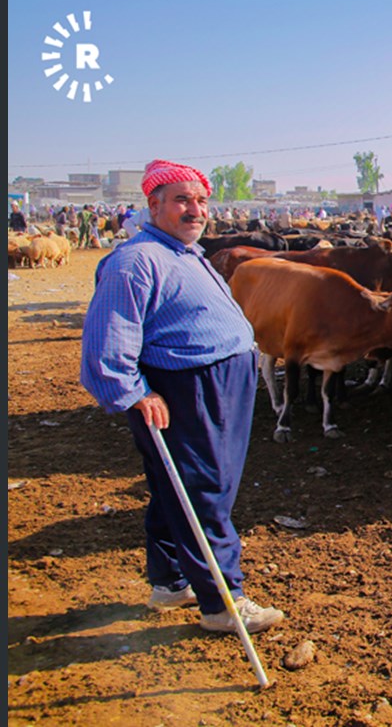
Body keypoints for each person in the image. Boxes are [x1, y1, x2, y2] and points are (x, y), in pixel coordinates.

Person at [79, 159, 284, 635]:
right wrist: (134, 394)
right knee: (203, 490)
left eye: (200, 201)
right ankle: (222, 602)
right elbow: (107, 341)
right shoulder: (135, 261)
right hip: (187, 388)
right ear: (153, 204)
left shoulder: (184, 253)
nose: (196, 210)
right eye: (182, 200)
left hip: (220, 382)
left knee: (181, 485)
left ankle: (171, 580)